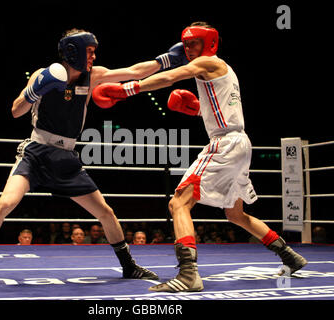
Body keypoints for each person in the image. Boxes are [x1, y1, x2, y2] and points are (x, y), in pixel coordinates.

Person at [0, 27, 186, 284]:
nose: (93, 57)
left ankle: (128, 266)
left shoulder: (92, 76)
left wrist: (167, 60)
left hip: (66, 158)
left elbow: (133, 72)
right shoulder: (43, 75)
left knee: (106, 213)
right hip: (37, 153)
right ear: (73, 51)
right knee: (5, 204)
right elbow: (16, 111)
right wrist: (35, 91)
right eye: (89, 51)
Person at [93, 21, 308, 292]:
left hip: (225, 144)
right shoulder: (220, 70)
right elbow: (221, 108)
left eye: (193, 42)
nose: (188, 48)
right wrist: (195, 109)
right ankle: (290, 256)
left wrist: (128, 89)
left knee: (179, 202)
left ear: (209, 43)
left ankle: (188, 274)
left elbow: (171, 76)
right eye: (185, 43)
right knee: (236, 214)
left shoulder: (209, 63)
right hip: (240, 143)